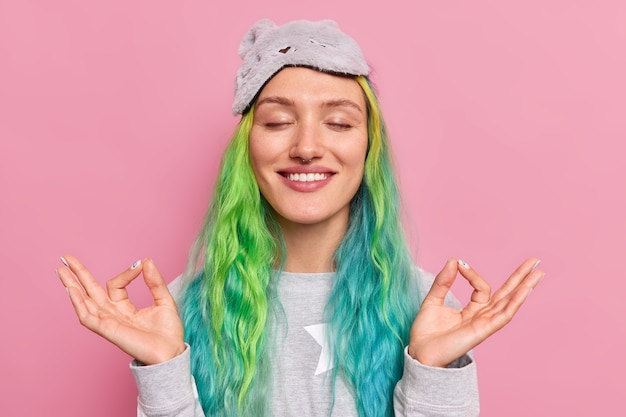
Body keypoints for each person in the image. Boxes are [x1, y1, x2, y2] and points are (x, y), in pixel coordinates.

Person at [56, 19, 544, 417]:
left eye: (338, 122)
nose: (307, 147)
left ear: (368, 147)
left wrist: (434, 374)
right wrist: (163, 371)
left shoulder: (423, 307)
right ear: (247, 149)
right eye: (277, 121)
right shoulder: (184, 308)